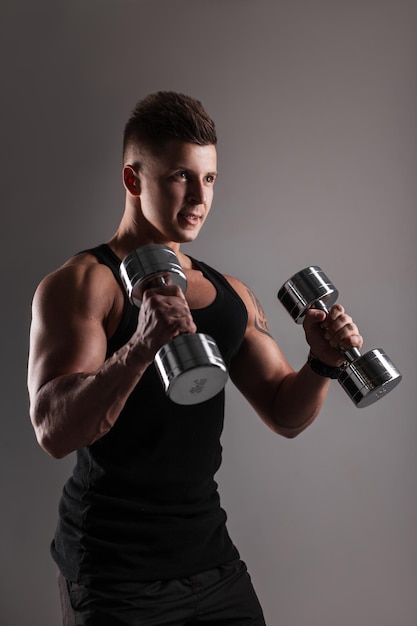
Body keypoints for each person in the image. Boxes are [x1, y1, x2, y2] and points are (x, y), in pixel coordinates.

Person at [27, 91, 363, 626]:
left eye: (208, 179)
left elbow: (284, 412)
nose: (199, 196)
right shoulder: (84, 284)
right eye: (180, 177)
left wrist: (320, 363)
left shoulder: (229, 292)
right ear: (134, 180)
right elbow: (53, 430)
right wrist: (141, 345)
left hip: (211, 562)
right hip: (115, 575)